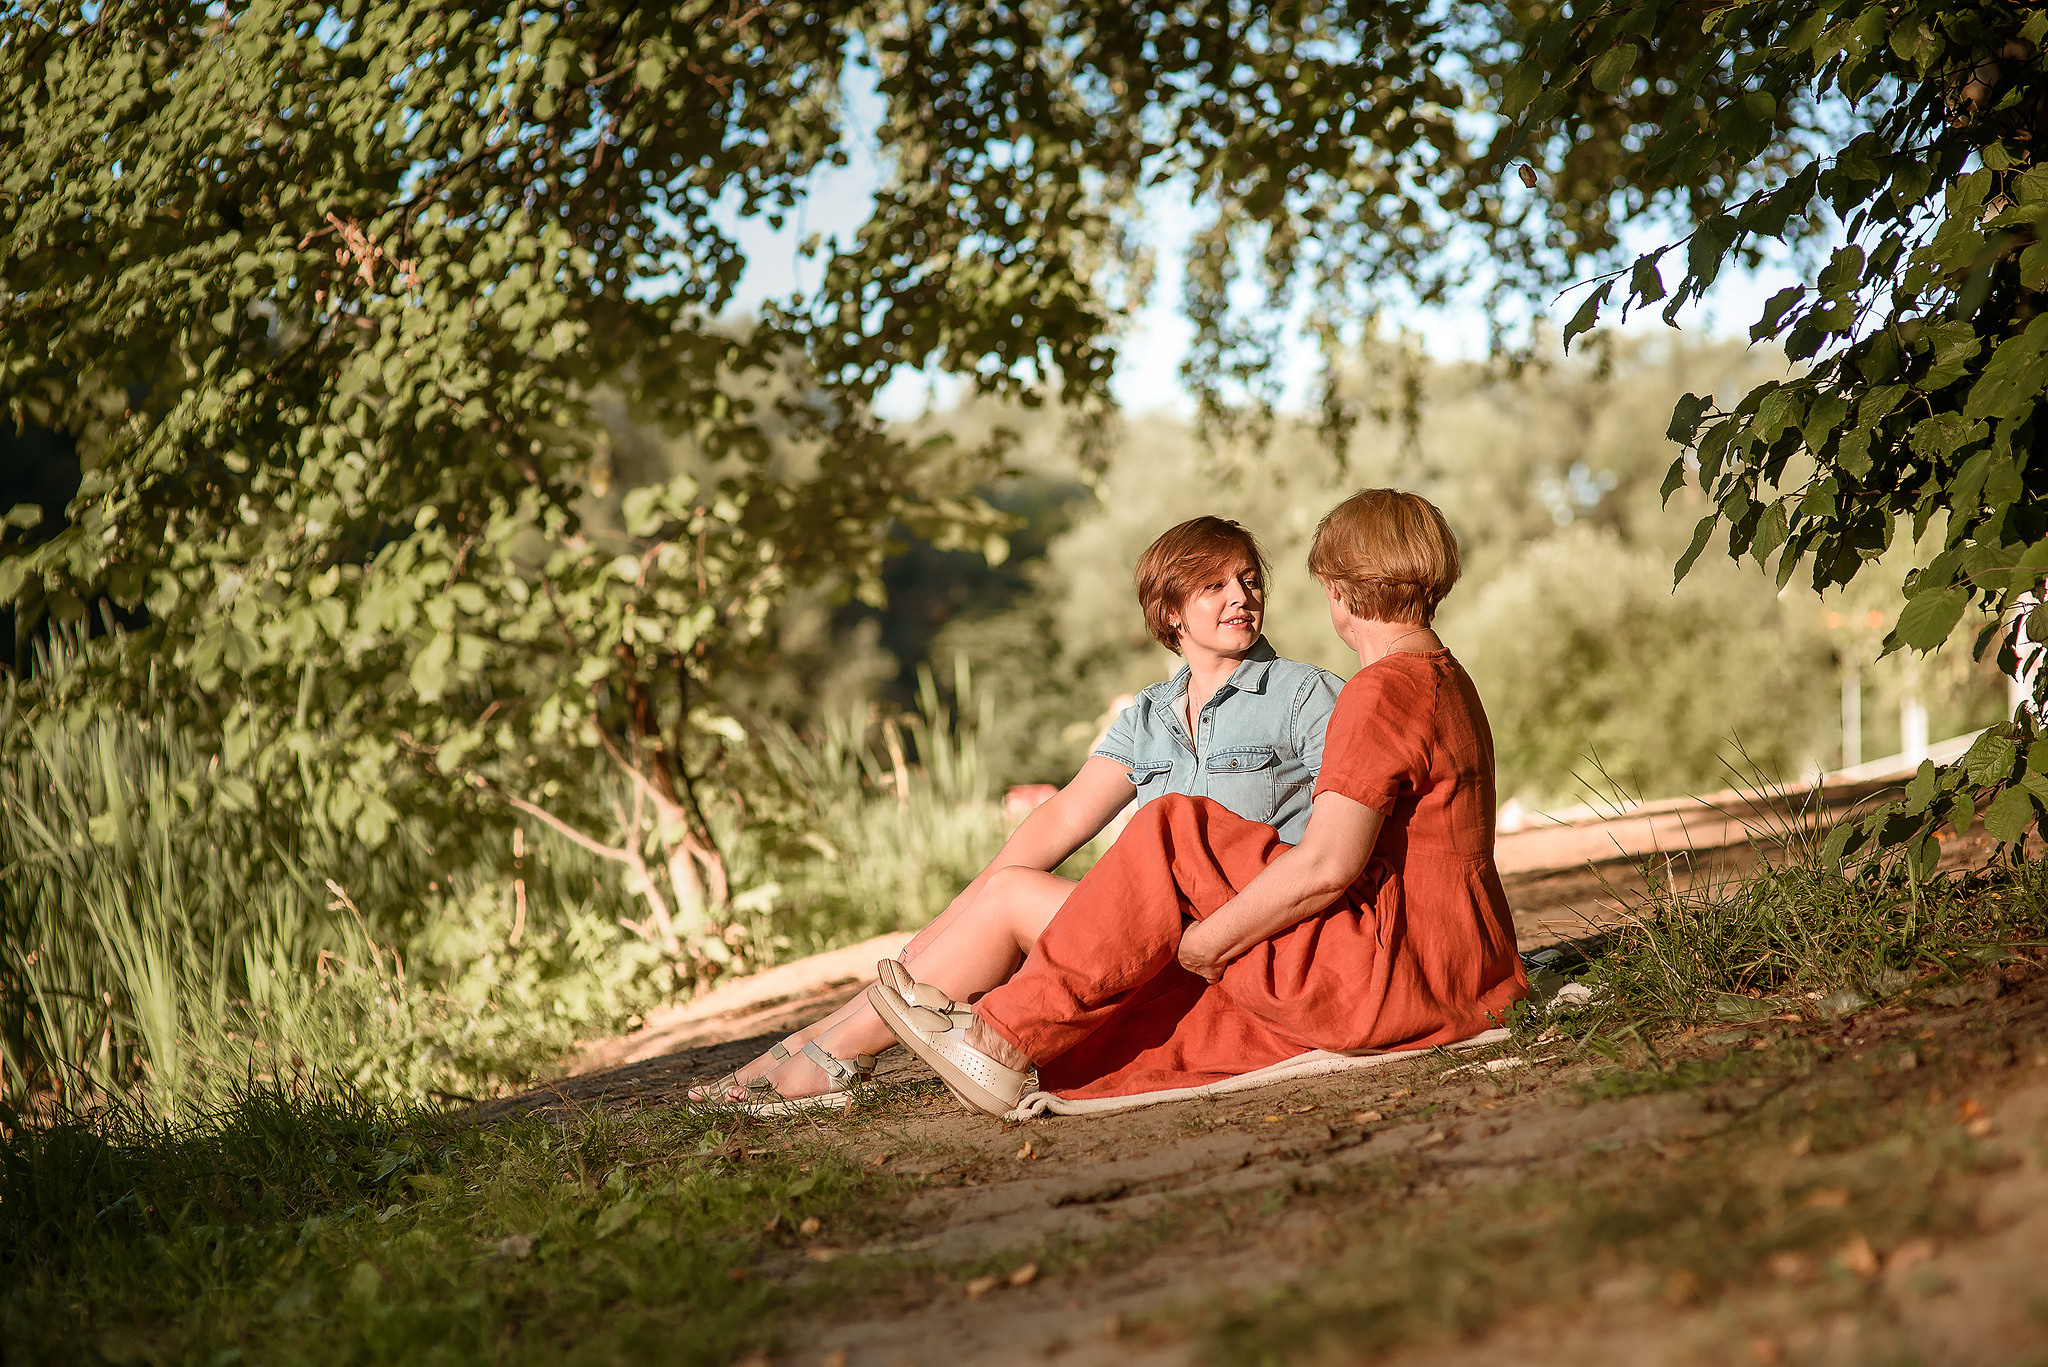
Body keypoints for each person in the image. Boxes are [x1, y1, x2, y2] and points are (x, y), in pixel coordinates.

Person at [870, 489, 1527, 1114]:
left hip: (1390, 975)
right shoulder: (1444, 676)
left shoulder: (1378, 692)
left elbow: (1328, 862)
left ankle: (996, 1040)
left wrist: (1206, 944)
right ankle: (1002, 1034)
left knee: (1170, 827)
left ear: (1339, 591)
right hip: (1460, 971)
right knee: (1168, 1017)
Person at [690, 516, 1343, 1110]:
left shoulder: (1304, 694)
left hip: (1240, 941)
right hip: (1150, 937)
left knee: (1005, 901)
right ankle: (815, 1043)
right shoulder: (1149, 715)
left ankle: (826, 1057)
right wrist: (943, 924)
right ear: (1170, 610)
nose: (1240, 596)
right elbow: (1055, 824)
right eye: (1214, 585)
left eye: (1248, 580)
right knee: (1001, 890)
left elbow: (1339, 842)